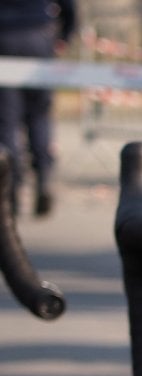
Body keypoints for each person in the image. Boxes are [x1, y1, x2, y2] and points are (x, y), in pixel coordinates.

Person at [0, 0, 76, 218]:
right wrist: (65, 35)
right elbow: (69, 6)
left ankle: (10, 189)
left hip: (4, 36)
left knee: (6, 121)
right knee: (39, 116)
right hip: (38, 35)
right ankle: (44, 177)